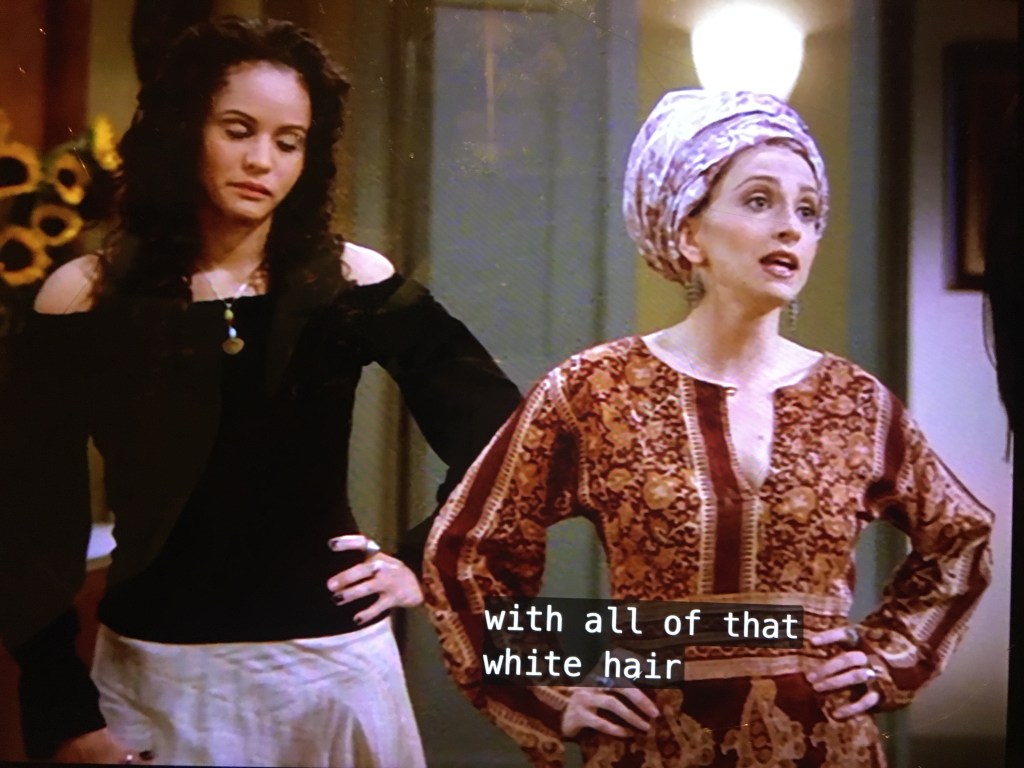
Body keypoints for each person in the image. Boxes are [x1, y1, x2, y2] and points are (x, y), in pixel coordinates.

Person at [0, 16, 520, 767]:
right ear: (184, 128)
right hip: (155, 678)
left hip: (331, 674)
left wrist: (423, 561)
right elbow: (28, 524)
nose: (261, 161)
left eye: (289, 141)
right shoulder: (85, 296)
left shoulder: (352, 282)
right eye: (238, 130)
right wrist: (64, 719)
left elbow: (505, 430)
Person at [423, 90, 994, 768]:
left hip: (823, 742)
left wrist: (887, 656)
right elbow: (466, 553)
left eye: (807, 210)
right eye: (759, 201)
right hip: (652, 741)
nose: (790, 228)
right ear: (688, 233)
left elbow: (961, 537)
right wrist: (550, 690)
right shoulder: (595, 388)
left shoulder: (857, 401)